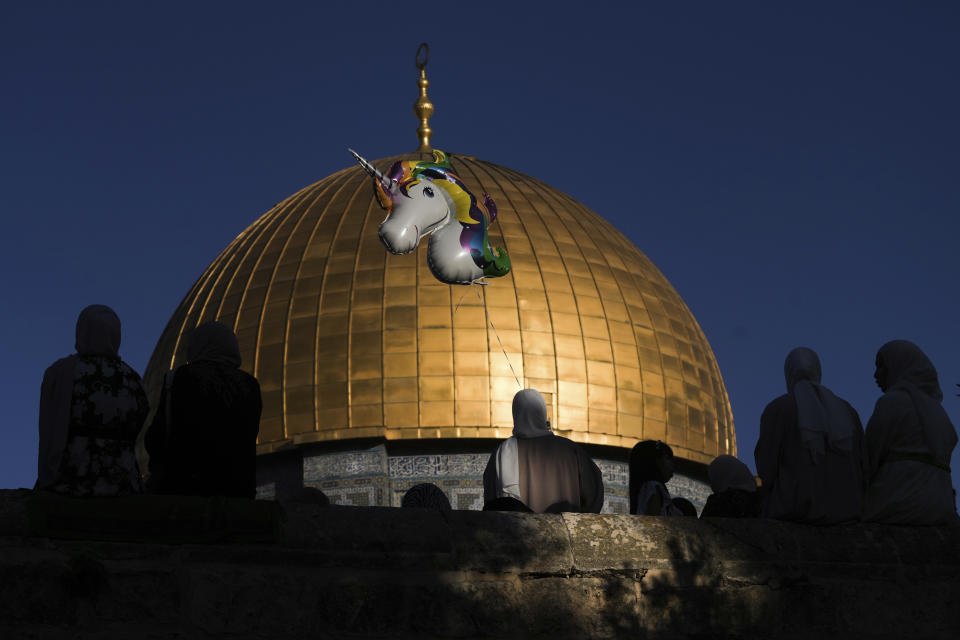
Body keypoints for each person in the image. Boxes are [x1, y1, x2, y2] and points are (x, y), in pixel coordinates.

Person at [37, 304, 148, 496]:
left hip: (72, 481)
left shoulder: (61, 373)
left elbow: (49, 430)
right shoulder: (132, 380)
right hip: (123, 485)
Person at [144, 321, 261, 499]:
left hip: (188, 486)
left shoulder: (182, 377)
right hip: (236, 489)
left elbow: (161, 433)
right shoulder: (249, 385)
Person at [754, 347, 865, 524]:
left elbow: (767, 468)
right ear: (817, 371)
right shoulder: (848, 412)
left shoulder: (778, 409)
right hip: (846, 512)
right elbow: (862, 465)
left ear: (788, 374)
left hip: (794, 510)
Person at [862, 340, 958, 524]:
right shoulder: (940, 413)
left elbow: (870, 459)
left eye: (881, 366)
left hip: (899, 499)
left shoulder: (891, 402)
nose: (876, 375)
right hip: (940, 504)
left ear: (898, 365)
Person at [483, 389, 604, 513]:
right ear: (542, 413)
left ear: (515, 413)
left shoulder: (502, 452)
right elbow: (594, 494)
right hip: (566, 530)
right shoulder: (573, 450)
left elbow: (492, 503)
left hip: (523, 531)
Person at [629, 440, 685, 515]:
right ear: (656, 460)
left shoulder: (649, 488)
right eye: (668, 458)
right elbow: (654, 520)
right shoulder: (653, 487)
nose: (673, 465)